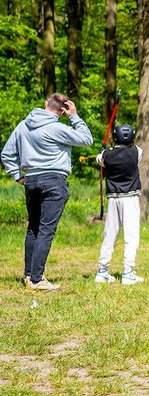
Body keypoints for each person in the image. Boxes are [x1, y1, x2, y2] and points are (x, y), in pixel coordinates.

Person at [1, 93, 93, 291]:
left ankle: (29, 275)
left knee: (33, 228)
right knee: (46, 229)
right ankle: (36, 279)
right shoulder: (58, 128)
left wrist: (18, 176)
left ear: (45, 104)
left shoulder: (23, 126)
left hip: (31, 180)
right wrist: (74, 116)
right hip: (54, 181)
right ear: (63, 110)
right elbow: (87, 140)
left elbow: (6, 154)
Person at [94, 123, 145, 285]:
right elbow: (132, 152)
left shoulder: (107, 156)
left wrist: (104, 151)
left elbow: (99, 159)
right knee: (131, 235)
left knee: (110, 234)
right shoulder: (137, 151)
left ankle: (102, 271)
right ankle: (128, 272)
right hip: (130, 199)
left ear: (115, 138)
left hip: (113, 199)